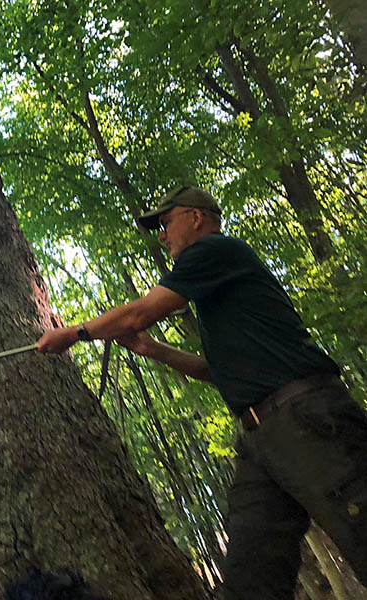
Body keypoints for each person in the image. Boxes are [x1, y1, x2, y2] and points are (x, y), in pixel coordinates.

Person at [36, 186, 367, 600]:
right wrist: (152, 349)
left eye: (165, 222)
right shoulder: (218, 293)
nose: (162, 235)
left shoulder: (213, 250)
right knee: (250, 577)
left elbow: (141, 311)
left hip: (308, 419)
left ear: (196, 218)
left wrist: (75, 333)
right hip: (261, 437)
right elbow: (216, 371)